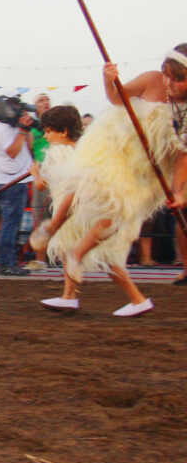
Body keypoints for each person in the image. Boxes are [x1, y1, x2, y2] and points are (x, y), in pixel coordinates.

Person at [43, 52, 187, 314]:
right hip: (117, 150)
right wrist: (108, 80)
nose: (169, 83)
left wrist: (178, 191)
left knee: (113, 213)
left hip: (144, 176)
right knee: (85, 199)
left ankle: (90, 279)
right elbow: (117, 97)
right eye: (167, 74)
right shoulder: (151, 80)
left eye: (179, 79)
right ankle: (70, 288)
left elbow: (181, 156)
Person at [25, 106, 82, 310]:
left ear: (63, 132)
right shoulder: (83, 150)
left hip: (66, 210)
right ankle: (69, 294)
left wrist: (35, 173)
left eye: (48, 132)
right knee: (72, 251)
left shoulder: (54, 155)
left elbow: (42, 185)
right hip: (84, 208)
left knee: (69, 251)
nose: (46, 137)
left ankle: (69, 295)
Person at [0, 91, 34, 277]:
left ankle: (8, 262)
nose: (17, 107)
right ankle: (6, 263)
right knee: (10, 224)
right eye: (13, 103)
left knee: (11, 224)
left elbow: (26, 147)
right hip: (9, 182)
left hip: (14, 180)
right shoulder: (2, 127)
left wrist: (25, 129)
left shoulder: (9, 125)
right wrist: (22, 130)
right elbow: (13, 151)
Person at [25, 93, 52, 271]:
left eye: (47, 99)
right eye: (41, 100)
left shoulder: (58, 126)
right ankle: (40, 259)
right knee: (39, 216)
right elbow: (27, 149)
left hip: (59, 171)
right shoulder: (32, 129)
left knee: (60, 215)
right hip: (40, 172)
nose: (45, 102)